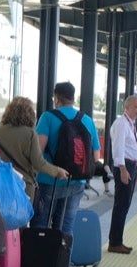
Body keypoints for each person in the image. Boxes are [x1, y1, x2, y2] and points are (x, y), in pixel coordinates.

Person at [32, 82, 101, 242]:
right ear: (73, 97)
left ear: (56, 98)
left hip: (49, 180)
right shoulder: (87, 120)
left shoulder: (48, 117)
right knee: (66, 228)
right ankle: (61, 266)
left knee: (40, 225)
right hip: (77, 181)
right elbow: (96, 156)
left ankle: (40, 264)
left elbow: (38, 151)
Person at [0, 96, 68, 202]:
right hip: (23, 184)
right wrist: (57, 171)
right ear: (30, 114)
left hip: (2, 183)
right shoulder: (30, 134)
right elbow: (39, 163)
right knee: (23, 216)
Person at [106, 95, 137, 255]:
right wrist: (122, 169)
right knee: (121, 205)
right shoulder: (121, 124)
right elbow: (119, 148)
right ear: (126, 107)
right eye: (136, 107)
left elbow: (133, 148)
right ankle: (115, 242)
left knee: (125, 204)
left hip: (131, 166)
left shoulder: (131, 124)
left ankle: (118, 240)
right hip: (124, 166)